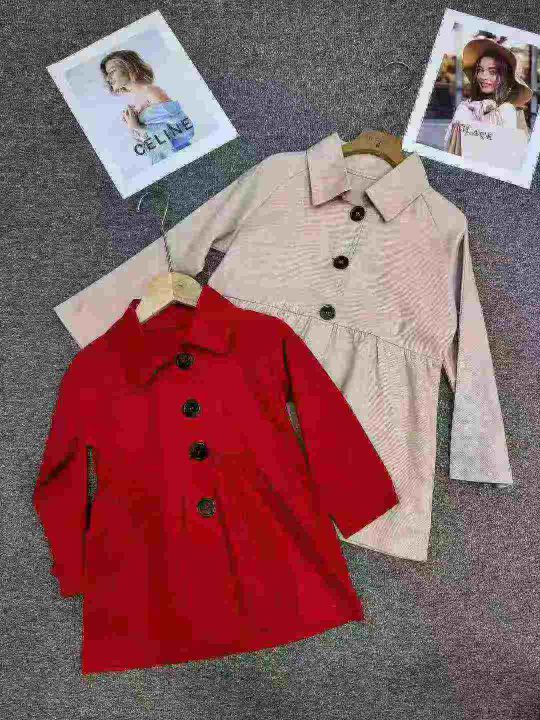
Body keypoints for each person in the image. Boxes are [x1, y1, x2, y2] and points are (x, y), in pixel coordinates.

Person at [100, 50, 195, 166]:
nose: (108, 78)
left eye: (112, 71)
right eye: (107, 74)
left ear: (129, 67)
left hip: (181, 158)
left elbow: (185, 130)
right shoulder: (132, 101)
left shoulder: (151, 92)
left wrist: (137, 127)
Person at [443, 33, 532, 155]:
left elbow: (514, 154)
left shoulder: (511, 111)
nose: (483, 76)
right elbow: (449, 147)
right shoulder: (465, 107)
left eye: (492, 72)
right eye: (480, 70)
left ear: (505, 77)